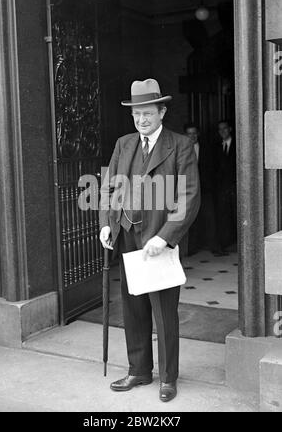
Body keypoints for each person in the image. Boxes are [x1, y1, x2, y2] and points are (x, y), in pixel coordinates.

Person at [99, 79, 200, 403]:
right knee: (133, 308)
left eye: (147, 113)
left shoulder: (179, 145)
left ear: (162, 111)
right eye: (136, 114)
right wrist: (106, 224)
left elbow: (188, 196)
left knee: (164, 312)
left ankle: (168, 378)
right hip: (127, 236)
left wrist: (165, 237)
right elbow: (110, 189)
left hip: (158, 240)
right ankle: (139, 370)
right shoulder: (124, 144)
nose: (142, 119)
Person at [184, 124, 217, 255]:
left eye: (194, 133)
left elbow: (214, 168)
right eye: (189, 133)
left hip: (206, 190)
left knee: (210, 218)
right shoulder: (182, 150)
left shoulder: (208, 149)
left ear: (198, 134)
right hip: (188, 191)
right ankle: (191, 248)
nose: (192, 136)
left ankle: (214, 246)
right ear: (185, 135)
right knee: (190, 220)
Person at [214, 120, 237, 253]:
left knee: (236, 216)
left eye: (225, 129)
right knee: (223, 217)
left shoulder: (238, 144)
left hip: (235, 188)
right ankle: (224, 244)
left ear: (230, 129)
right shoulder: (216, 146)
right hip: (222, 189)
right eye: (220, 130)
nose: (222, 132)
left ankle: (239, 244)